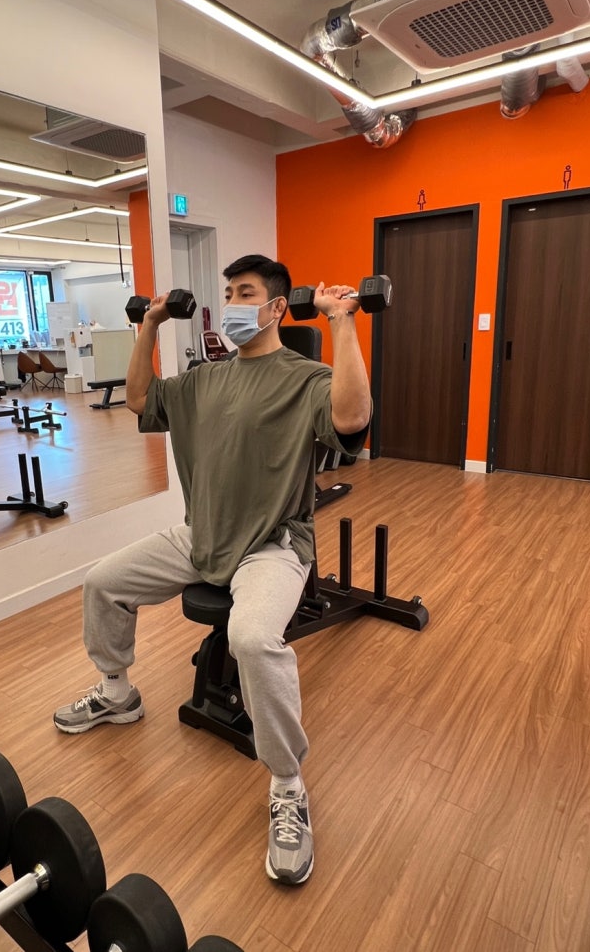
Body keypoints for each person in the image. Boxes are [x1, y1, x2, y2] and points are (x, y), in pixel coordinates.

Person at [54, 255, 371, 885]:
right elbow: (139, 398)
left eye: (245, 293)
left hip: (272, 543)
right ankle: (117, 693)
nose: (231, 303)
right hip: (201, 535)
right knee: (103, 582)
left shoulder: (305, 377)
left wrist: (341, 321)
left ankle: (287, 783)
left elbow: (351, 418)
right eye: (228, 292)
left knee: (251, 638)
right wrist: (148, 325)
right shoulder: (204, 379)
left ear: (276, 307)